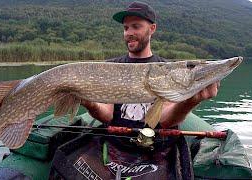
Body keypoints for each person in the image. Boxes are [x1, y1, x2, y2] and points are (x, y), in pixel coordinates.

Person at [82, 1, 219, 129]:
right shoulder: (111, 67)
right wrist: (89, 103)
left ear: (152, 28)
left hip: (157, 145)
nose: (129, 33)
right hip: (118, 143)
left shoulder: (168, 70)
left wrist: (190, 102)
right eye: (126, 28)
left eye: (136, 26)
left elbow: (165, 120)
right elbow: (107, 115)